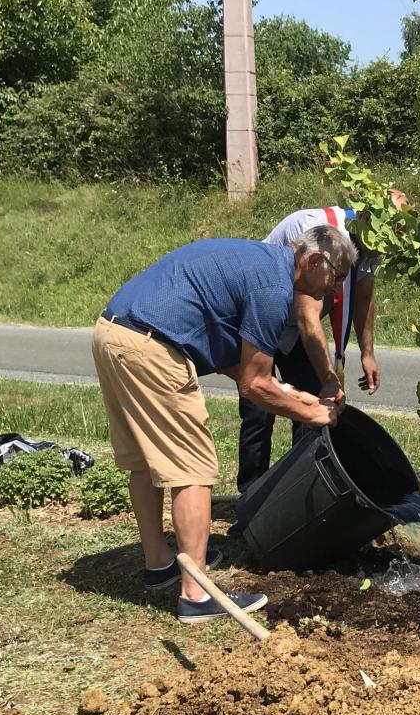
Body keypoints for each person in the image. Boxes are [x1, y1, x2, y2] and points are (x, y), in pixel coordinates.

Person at [92, 227, 355, 622]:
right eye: (336, 278)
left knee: (145, 462)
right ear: (315, 262)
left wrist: (290, 393)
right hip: (153, 348)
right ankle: (197, 595)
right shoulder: (273, 288)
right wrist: (311, 412)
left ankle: (159, 561)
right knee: (194, 469)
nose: (332, 294)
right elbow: (254, 387)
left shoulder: (260, 266)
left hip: (114, 333)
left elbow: (242, 367)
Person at [238, 190, 410, 491]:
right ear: (367, 219)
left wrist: (367, 353)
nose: (385, 248)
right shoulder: (318, 231)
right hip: (263, 316)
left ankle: (292, 492)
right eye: (386, 237)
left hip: (294, 329)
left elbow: (364, 294)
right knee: (259, 406)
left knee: (315, 404)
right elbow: (308, 318)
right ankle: (250, 496)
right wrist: (331, 377)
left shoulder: (372, 243)